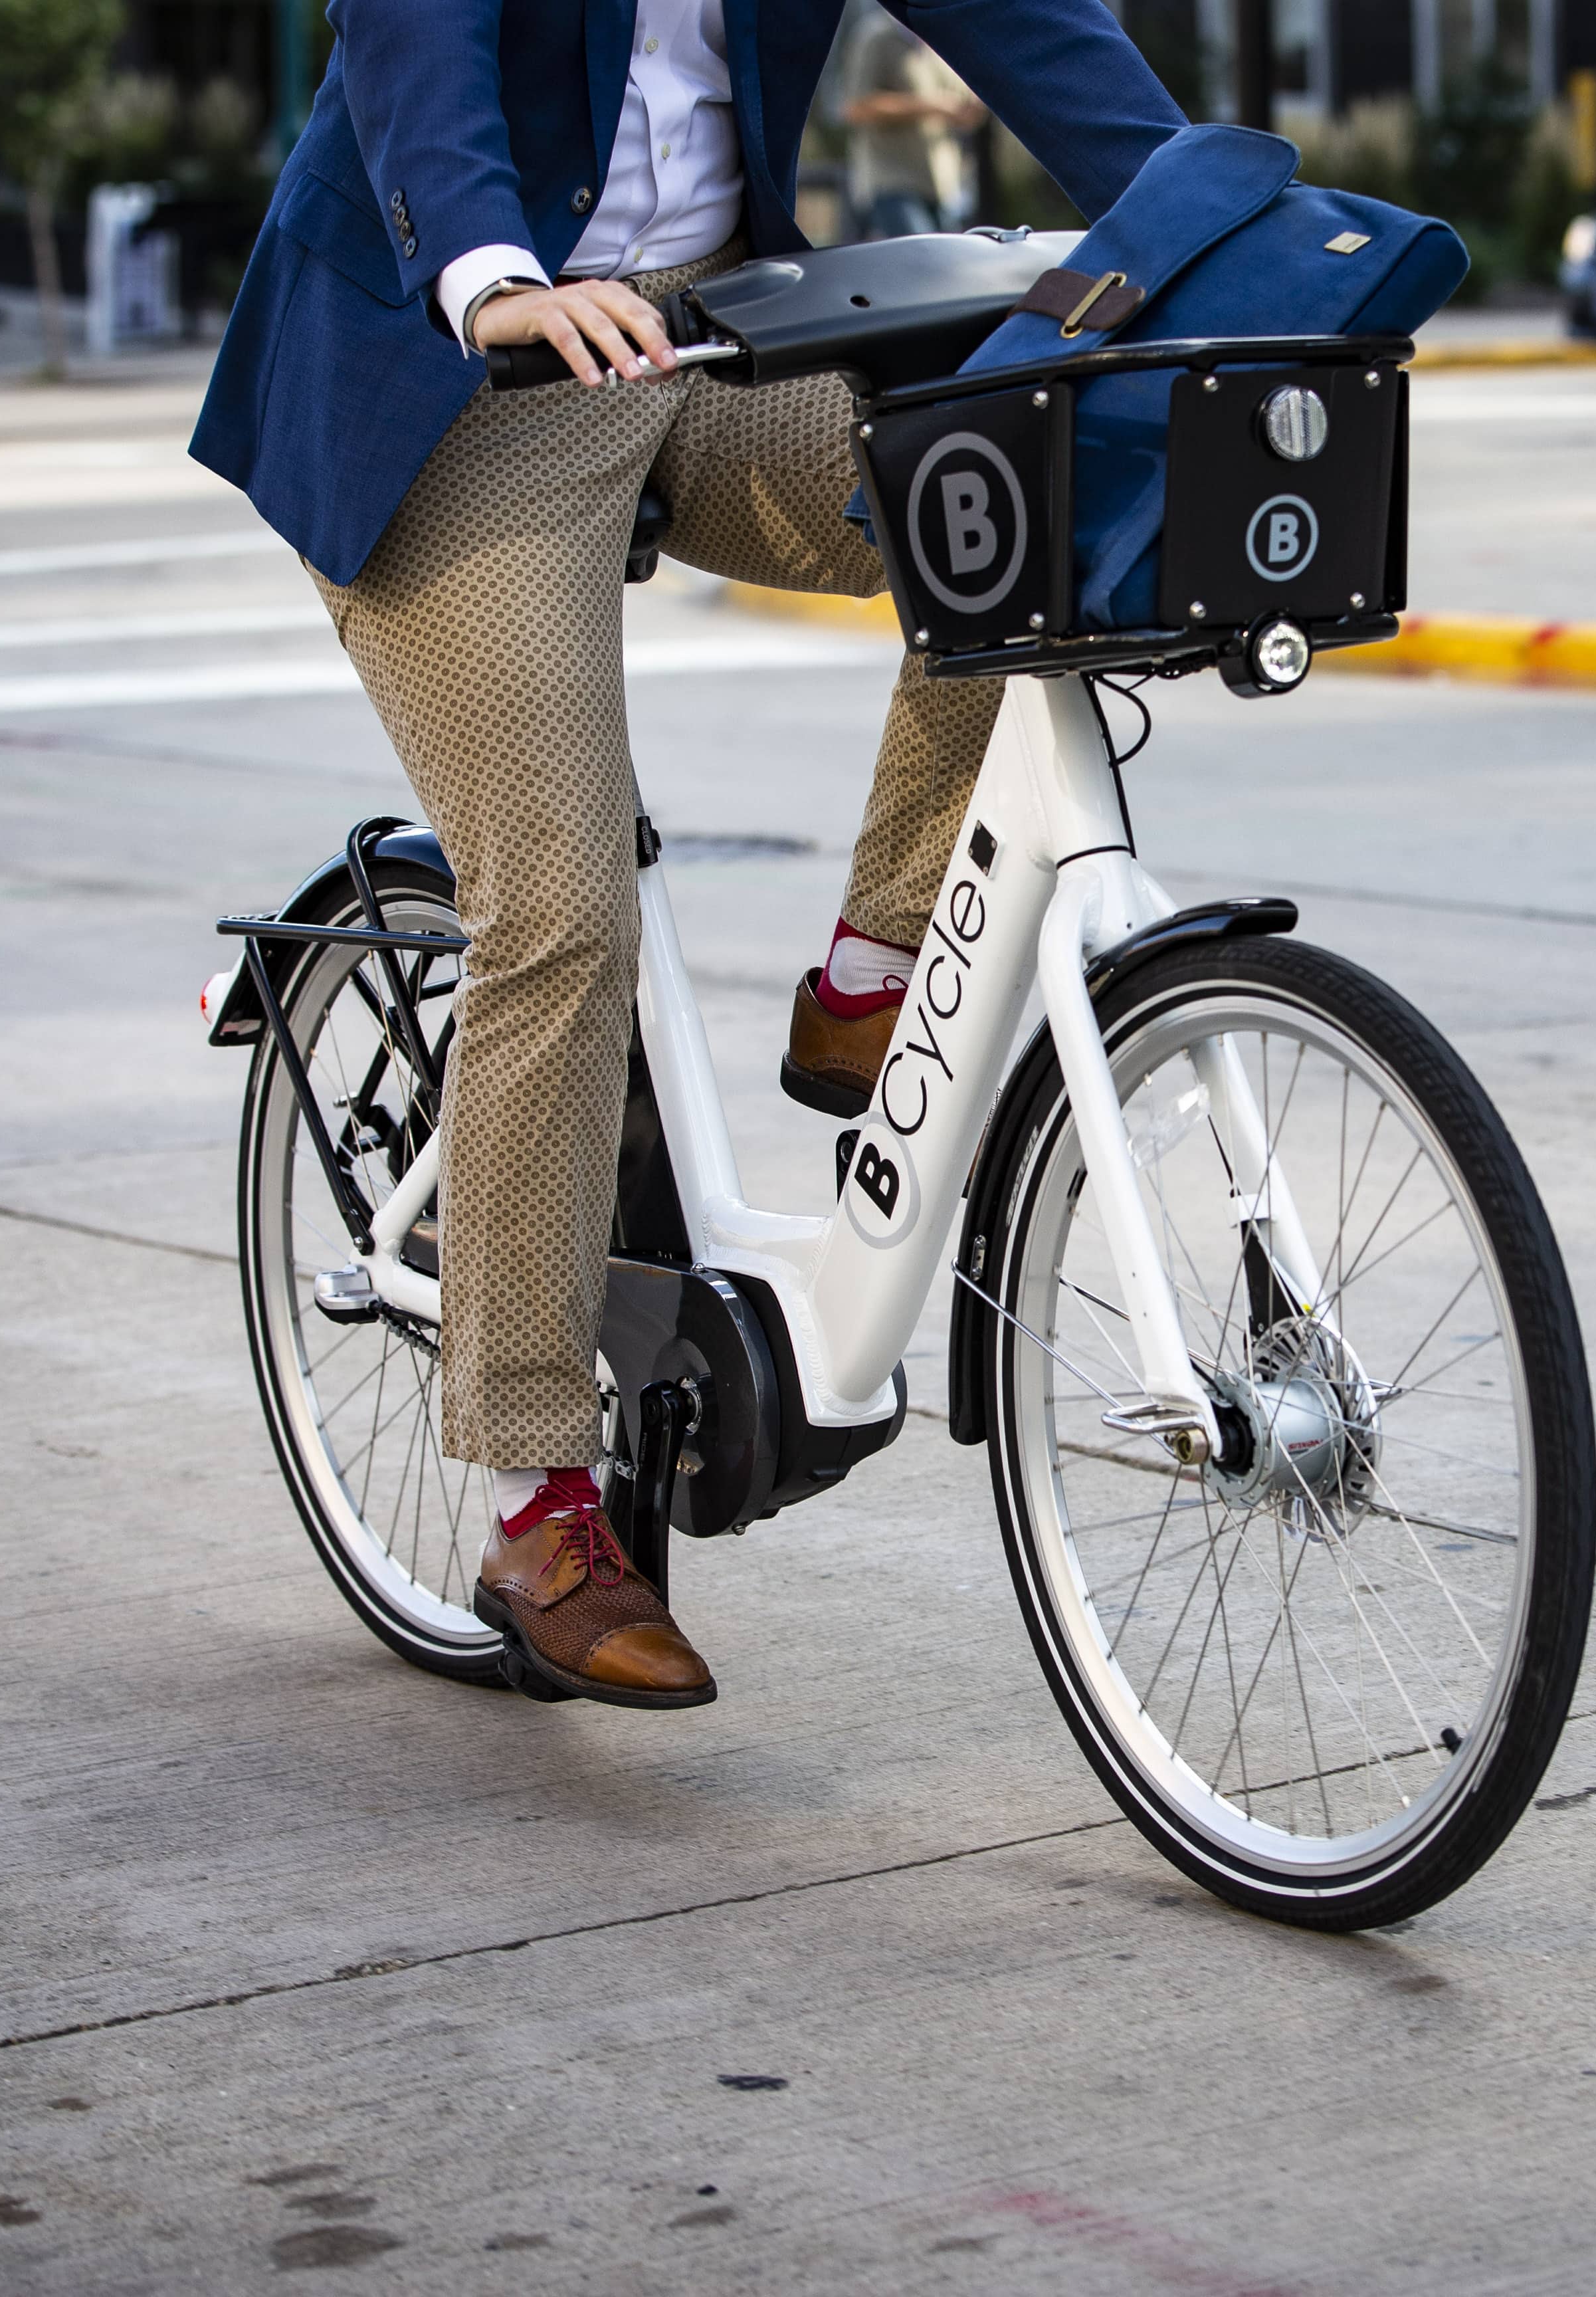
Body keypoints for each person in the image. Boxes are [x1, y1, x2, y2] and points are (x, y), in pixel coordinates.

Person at [188, 0, 1183, 1705]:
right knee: (558, 910)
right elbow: (416, 44)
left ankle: (872, 974)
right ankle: (535, 1493)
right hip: (462, 382)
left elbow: (1030, 21)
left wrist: (1227, 218)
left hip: (711, 352)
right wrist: (490, 270)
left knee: (1026, 501)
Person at [842, 9, 984, 239]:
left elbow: (964, 110)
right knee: (924, 265)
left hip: (943, 186)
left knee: (948, 269)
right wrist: (932, 106)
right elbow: (857, 108)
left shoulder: (940, 40)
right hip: (892, 182)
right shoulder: (876, 37)